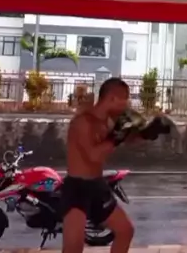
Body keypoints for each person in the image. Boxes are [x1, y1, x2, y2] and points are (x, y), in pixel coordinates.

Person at [61, 78, 135, 253]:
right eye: (124, 99)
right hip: (77, 189)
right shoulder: (83, 122)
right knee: (74, 247)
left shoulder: (108, 121)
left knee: (125, 231)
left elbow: (128, 139)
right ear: (112, 99)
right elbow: (93, 156)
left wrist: (150, 130)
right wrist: (117, 135)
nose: (127, 104)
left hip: (97, 186)